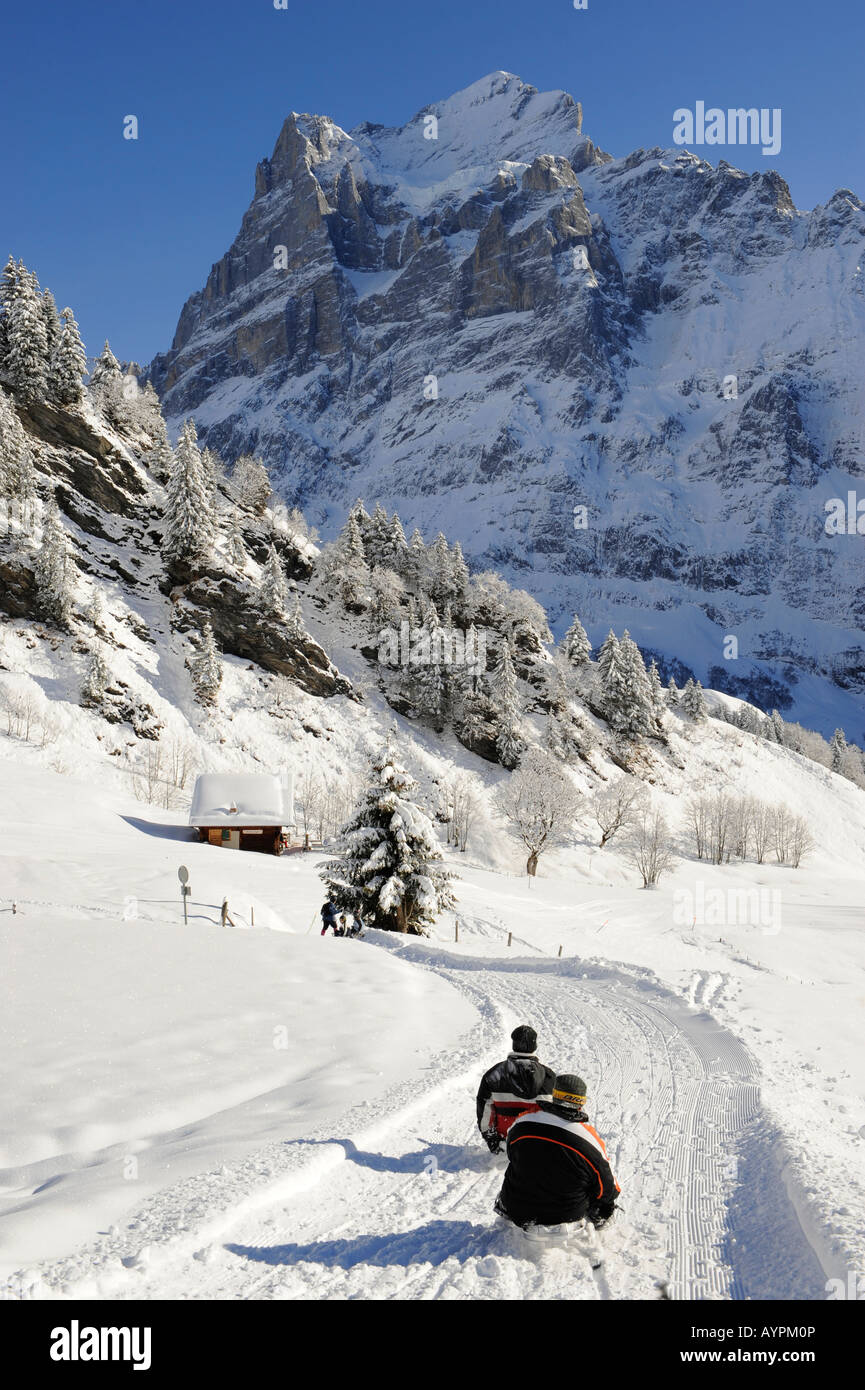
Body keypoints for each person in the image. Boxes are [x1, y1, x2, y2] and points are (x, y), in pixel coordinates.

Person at [494, 1073, 619, 1230]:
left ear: (554, 1095)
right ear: (580, 1102)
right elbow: (608, 1188)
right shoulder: (587, 1139)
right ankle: (596, 1231)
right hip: (564, 1215)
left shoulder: (522, 1122)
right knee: (603, 1199)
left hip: (515, 1207)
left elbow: (511, 1153)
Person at [476, 1025, 557, 1154]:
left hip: (506, 1142)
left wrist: (493, 1141)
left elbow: (485, 1111)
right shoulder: (550, 1077)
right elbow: (557, 1114)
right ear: (534, 1046)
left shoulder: (493, 1075)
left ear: (513, 1044)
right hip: (539, 1144)